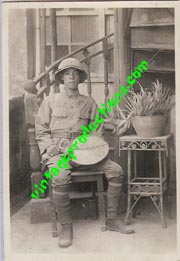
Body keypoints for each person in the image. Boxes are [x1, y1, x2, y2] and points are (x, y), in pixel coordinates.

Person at [35, 57, 134, 248]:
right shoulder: (50, 101)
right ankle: (66, 228)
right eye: (67, 73)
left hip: (85, 152)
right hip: (60, 153)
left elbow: (97, 130)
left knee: (116, 170)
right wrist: (49, 147)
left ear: (80, 78)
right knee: (60, 176)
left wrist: (95, 149)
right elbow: (41, 129)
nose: (71, 76)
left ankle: (112, 220)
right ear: (61, 78)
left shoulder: (89, 102)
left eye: (75, 73)